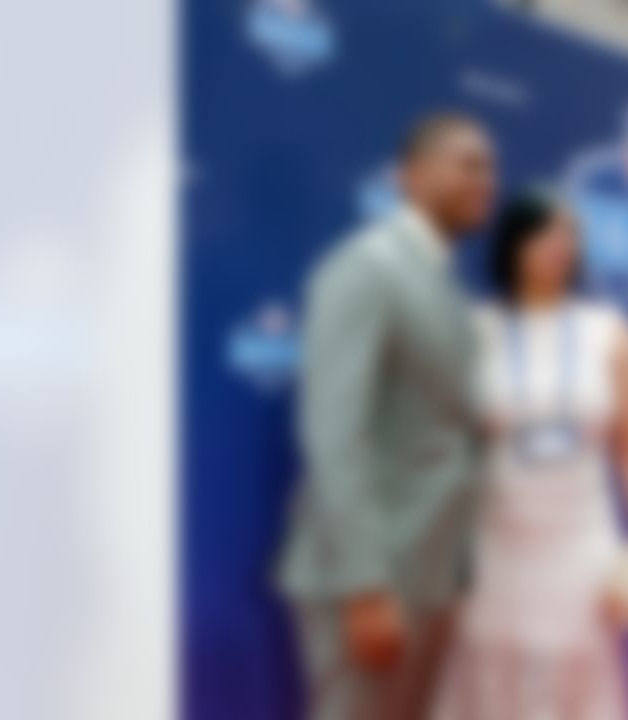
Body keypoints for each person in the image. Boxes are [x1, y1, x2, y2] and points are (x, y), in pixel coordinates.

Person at [277, 112, 496, 720]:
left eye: (490, 168)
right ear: (411, 176)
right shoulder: (365, 268)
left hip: (429, 574)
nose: (486, 181)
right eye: (468, 163)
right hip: (374, 578)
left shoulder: (440, 279)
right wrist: (365, 584)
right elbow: (333, 434)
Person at [435, 191, 628, 719]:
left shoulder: (611, 334)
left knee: (578, 684)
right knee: (487, 683)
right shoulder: (471, 331)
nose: (559, 245)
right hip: (493, 547)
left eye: (570, 234)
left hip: (581, 546)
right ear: (515, 242)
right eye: (546, 232)